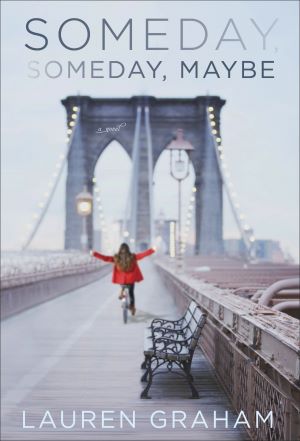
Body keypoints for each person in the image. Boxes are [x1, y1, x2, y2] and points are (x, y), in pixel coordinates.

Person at [90, 243, 155, 315]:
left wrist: (94, 254)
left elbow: (105, 258)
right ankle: (132, 307)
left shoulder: (116, 258)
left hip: (121, 279)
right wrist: (152, 250)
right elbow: (143, 254)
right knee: (131, 293)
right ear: (128, 249)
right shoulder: (133, 257)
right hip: (131, 279)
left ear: (120, 249)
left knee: (123, 285)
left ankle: (122, 292)